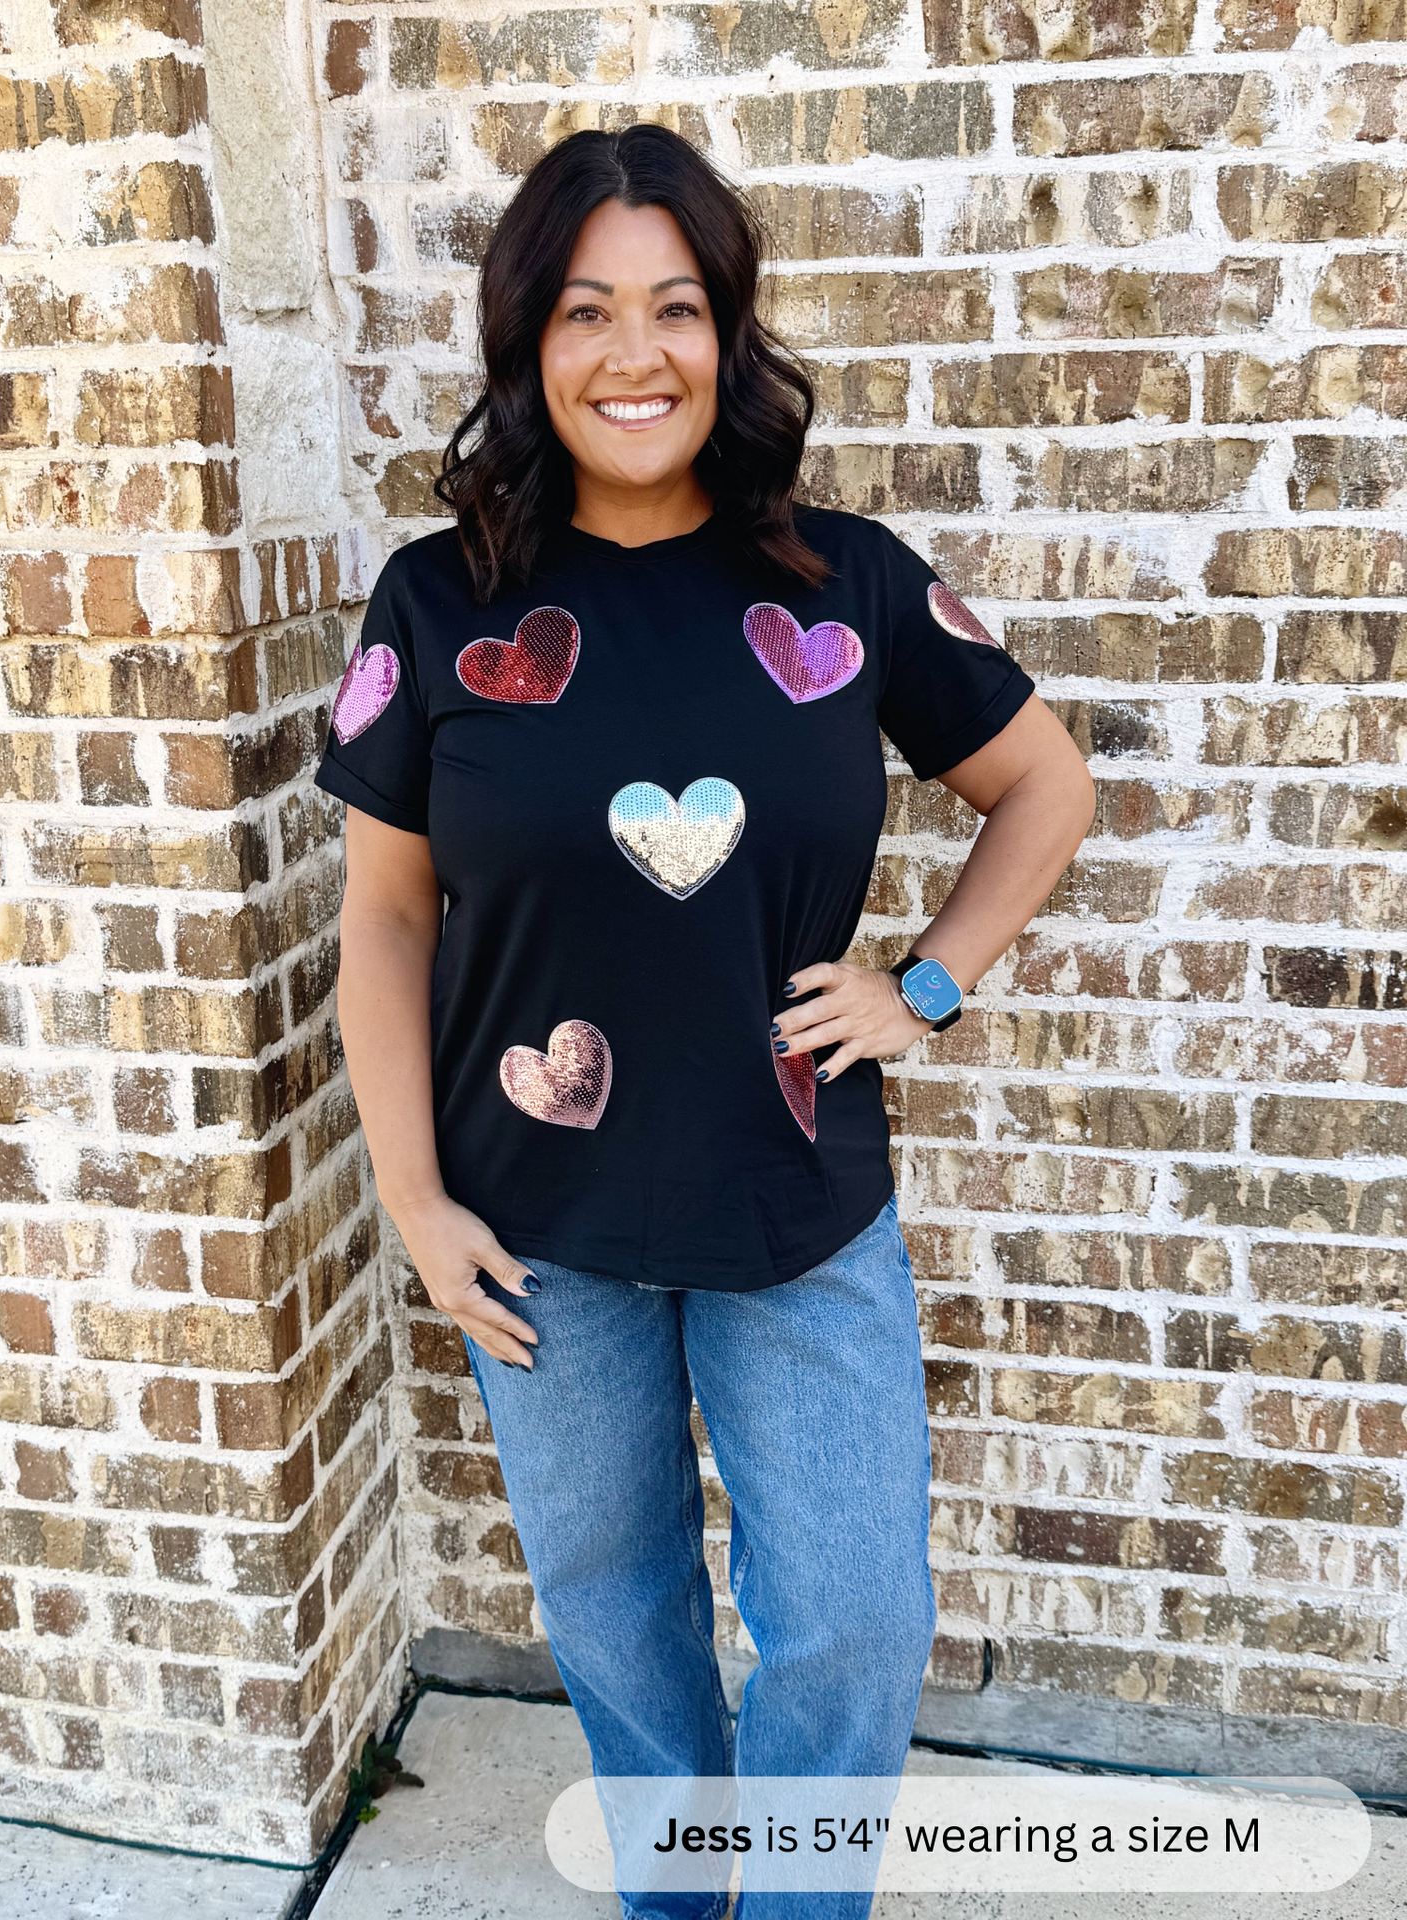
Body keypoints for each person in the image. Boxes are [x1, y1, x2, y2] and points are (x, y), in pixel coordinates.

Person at [316, 124, 1095, 1920]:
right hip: (536, 1224)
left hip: (793, 1194)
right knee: (614, 1603)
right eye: (586, 311)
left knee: (849, 1614)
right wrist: (419, 1206)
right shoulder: (441, 605)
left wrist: (923, 989)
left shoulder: (852, 581)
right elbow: (385, 914)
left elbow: (1043, 788)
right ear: (530, 346)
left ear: (729, 337)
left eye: (676, 306)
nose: (634, 352)